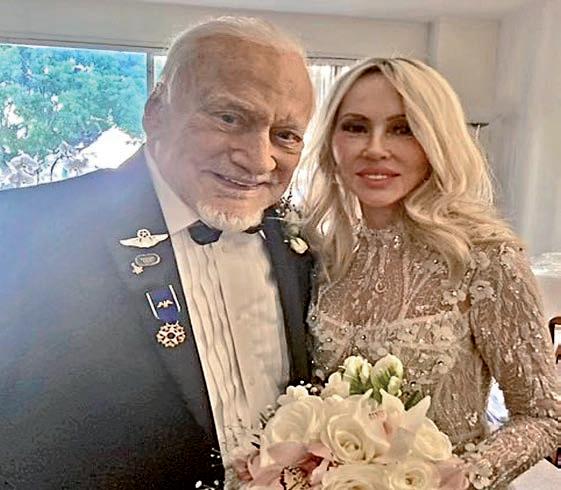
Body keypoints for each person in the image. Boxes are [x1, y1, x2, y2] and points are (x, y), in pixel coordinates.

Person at [0, 17, 314, 488]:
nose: (259, 159)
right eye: (229, 118)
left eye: (285, 135)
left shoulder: (300, 248)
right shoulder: (24, 231)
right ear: (156, 113)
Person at [301, 57, 561, 488]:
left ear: (436, 140)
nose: (375, 148)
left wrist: (455, 478)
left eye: (403, 128)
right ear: (331, 141)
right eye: (356, 127)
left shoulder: (485, 258)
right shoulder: (320, 253)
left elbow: (544, 415)